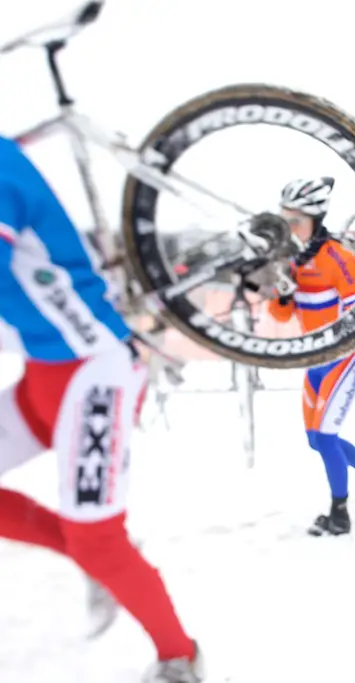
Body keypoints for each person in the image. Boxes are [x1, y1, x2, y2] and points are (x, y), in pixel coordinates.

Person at [0, 136, 203, 682]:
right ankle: (90, 558)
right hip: (47, 375)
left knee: (100, 541)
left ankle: (179, 659)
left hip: (96, 372)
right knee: (91, 544)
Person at [266, 177, 355, 536]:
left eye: (297, 220)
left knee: (326, 437)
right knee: (315, 439)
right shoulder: (290, 260)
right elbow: (281, 315)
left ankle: (339, 513)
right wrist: (281, 294)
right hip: (314, 359)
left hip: (345, 357)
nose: (290, 228)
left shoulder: (336, 258)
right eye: (286, 220)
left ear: (316, 219)